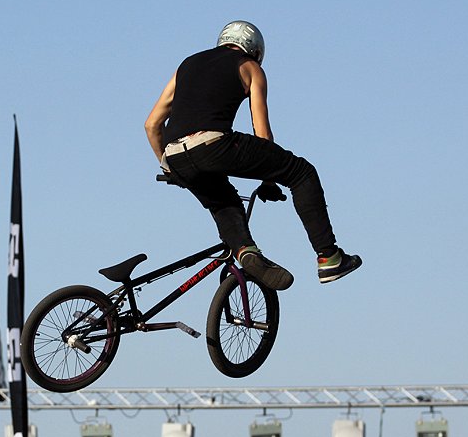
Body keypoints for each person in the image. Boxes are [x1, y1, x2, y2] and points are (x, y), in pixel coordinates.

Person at [145, 20, 362, 291]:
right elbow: (262, 132)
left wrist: (169, 168)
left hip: (175, 155)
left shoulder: (186, 65)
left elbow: (152, 124)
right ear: (256, 50)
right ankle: (329, 257)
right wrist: (269, 180)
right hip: (213, 145)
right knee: (301, 172)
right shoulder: (250, 67)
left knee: (223, 202)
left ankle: (246, 251)